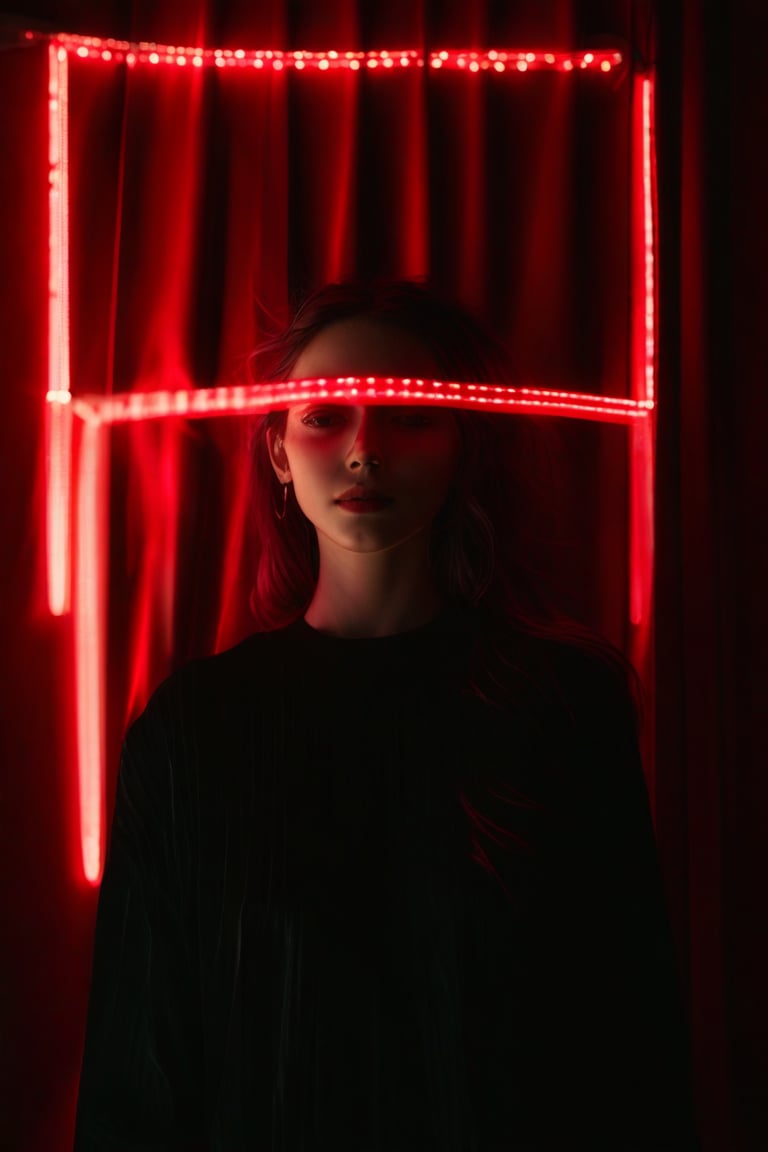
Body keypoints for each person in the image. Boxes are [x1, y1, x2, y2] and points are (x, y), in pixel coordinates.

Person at [73, 279, 698, 1151]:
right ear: (279, 453)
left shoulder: (563, 707)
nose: (364, 450)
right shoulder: (190, 731)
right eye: (325, 415)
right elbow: (137, 1075)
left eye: (409, 415)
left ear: (462, 446)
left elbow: (632, 1047)